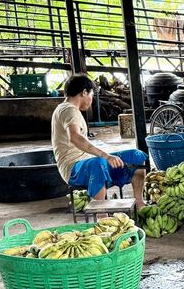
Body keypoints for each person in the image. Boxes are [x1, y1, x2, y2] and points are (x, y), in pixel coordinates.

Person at [51, 74, 147, 208]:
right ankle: (102, 215)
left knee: (135, 156)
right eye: (91, 94)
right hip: (74, 169)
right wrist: (105, 155)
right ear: (84, 92)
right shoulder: (68, 110)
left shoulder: (69, 110)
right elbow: (75, 137)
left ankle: (139, 202)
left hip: (86, 162)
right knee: (99, 163)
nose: (91, 99)